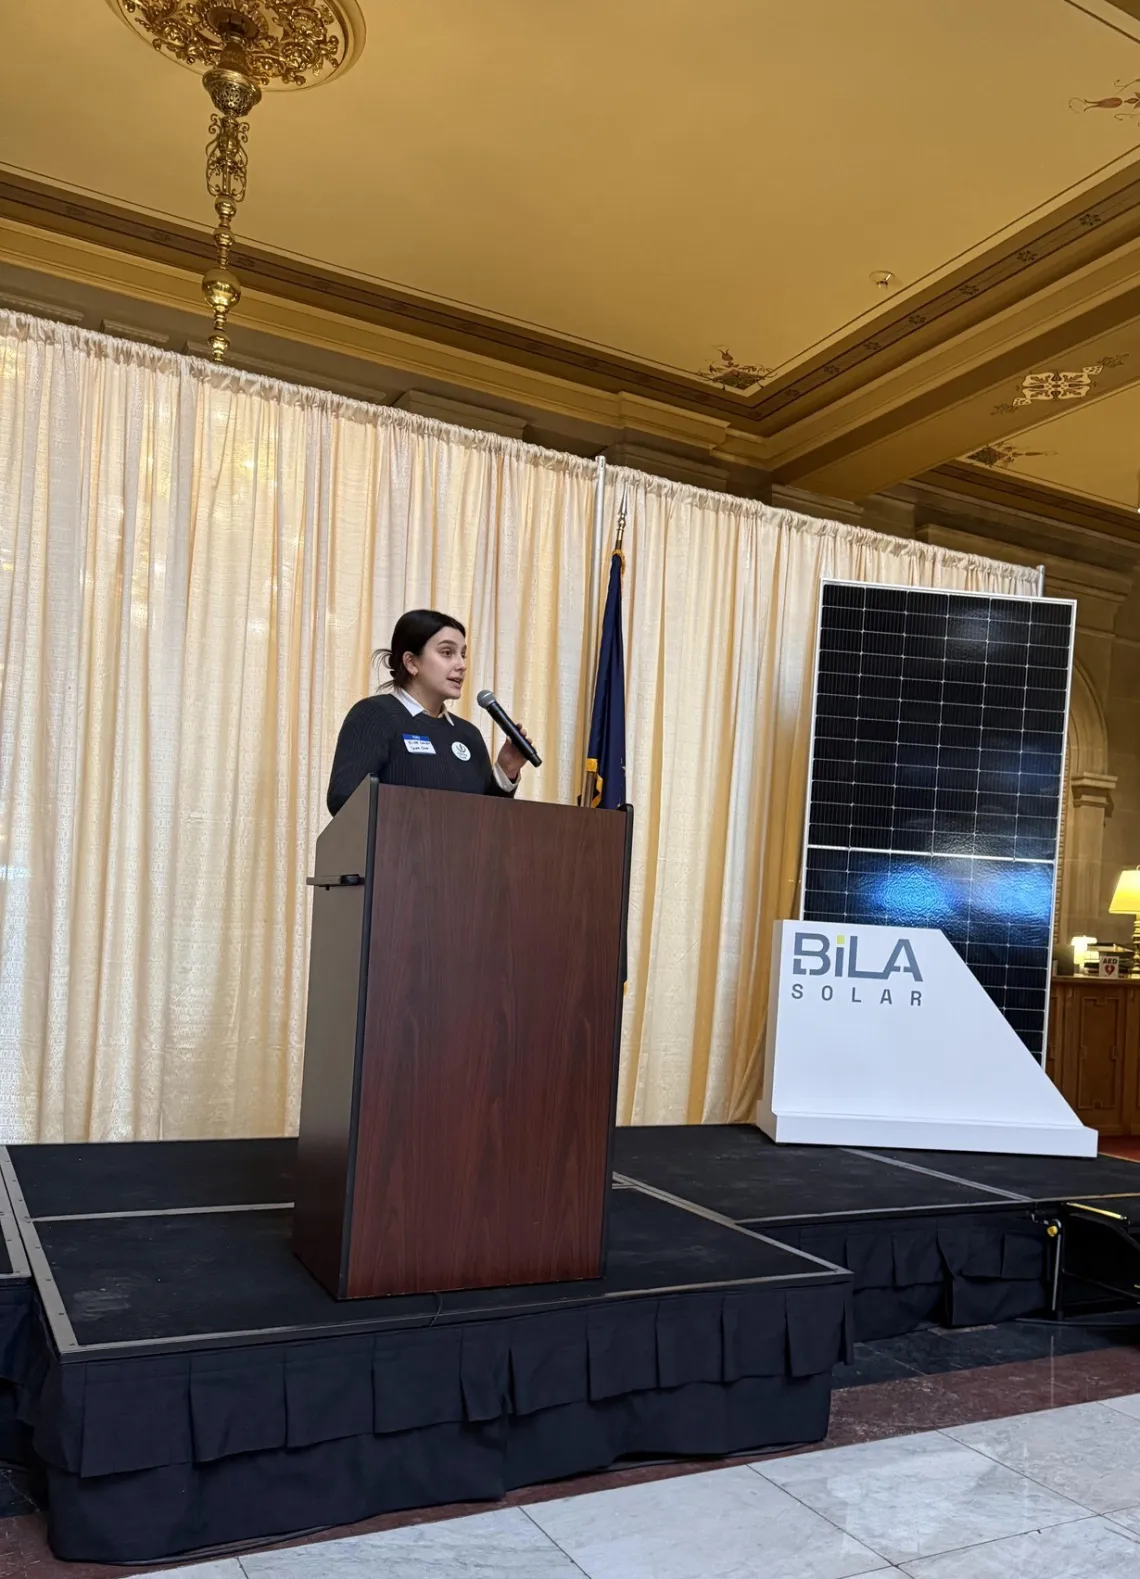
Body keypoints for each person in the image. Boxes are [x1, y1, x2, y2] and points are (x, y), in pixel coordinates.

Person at [326, 609, 530, 815]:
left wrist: (507, 769)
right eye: (447, 653)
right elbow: (344, 799)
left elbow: (487, 820)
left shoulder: (469, 735)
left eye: (463, 655)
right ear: (412, 663)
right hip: (397, 847)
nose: (461, 665)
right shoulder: (373, 715)